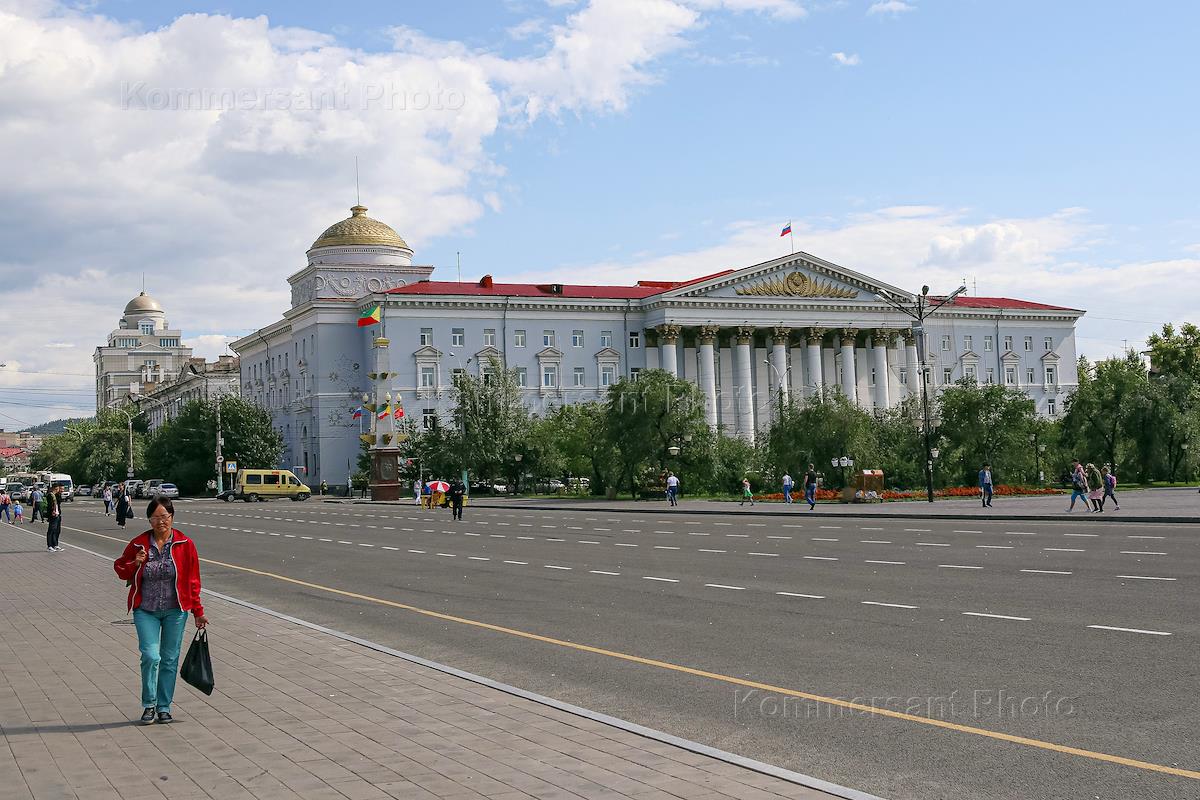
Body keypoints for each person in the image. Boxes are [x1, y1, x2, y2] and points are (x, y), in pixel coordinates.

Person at [113, 497, 208, 725]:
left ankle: (164, 707)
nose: (160, 521)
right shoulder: (139, 544)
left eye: (164, 516)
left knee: (169, 659)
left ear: (172, 517)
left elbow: (193, 580)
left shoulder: (185, 544)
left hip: (176, 611)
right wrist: (135, 563)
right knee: (151, 656)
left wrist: (198, 611)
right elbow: (120, 569)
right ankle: (149, 704)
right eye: (155, 517)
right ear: (149, 520)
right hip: (146, 610)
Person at [46, 484, 64, 551]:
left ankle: (55, 545)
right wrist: (52, 512)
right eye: (59, 489)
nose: (60, 490)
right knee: (51, 530)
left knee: (56, 530)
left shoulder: (56, 495)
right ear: (55, 489)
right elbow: (50, 505)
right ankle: (49, 546)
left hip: (57, 514)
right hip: (53, 515)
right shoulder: (50, 495)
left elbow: (58, 503)